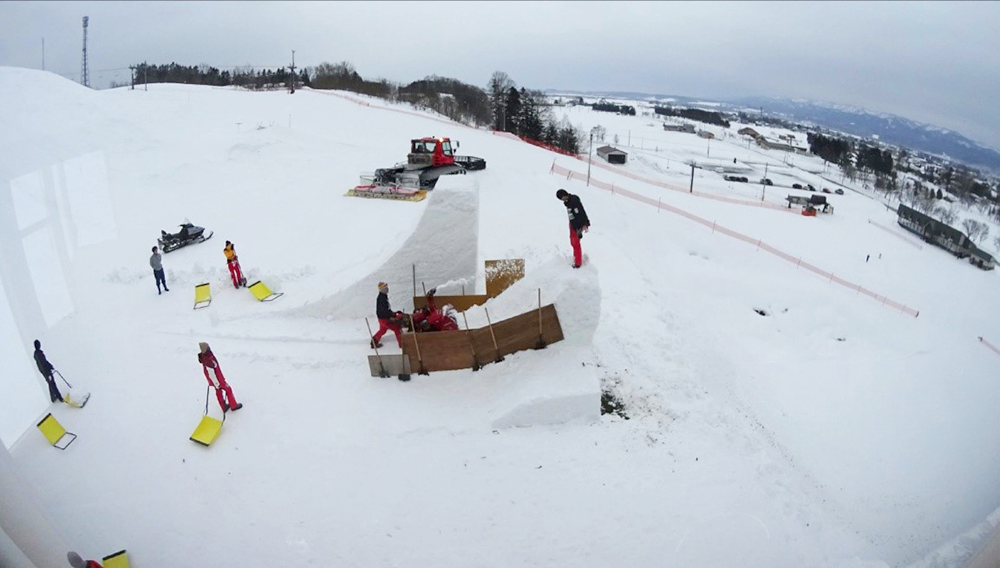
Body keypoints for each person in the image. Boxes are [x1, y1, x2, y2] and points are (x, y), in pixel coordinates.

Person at [198, 342, 242, 413]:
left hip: (214, 380)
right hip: (218, 380)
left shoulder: (206, 357)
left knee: (218, 391)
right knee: (228, 389)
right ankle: (233, 406)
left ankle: (223, 406)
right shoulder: (208, 360)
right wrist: (216, 383)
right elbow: (211, 373)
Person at [556, 189, 591, 268]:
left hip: (577, 225)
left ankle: (578, 263)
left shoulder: (573, 202)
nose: (562, 200)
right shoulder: (569, 201)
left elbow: (580, 214)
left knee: (575, 243)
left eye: (562, 198)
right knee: (573, 242)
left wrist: (580, 228)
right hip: (572, 224)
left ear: (565, 195)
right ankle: (576, 259)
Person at [371, 281, 404, 348]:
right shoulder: (381, 299)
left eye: (387, 287)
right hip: (384, 319)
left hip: (381, 318)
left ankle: (374, 342)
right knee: (397, 328)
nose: (387, 288)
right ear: (382, 289)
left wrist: (393, 313)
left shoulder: (383, 296)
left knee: (382, 330)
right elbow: (383, 311)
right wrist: (392, 316)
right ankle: (402, 345)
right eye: (385, 287)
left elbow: (386, 309)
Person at [33, 339, 63, 403]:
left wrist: (50, 366)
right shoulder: (39, 354)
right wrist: (48, 372)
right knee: (52, 384)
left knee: (50, 384)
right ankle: (60, 397)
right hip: (47, 372)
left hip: (45, 372)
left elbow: (44, 363)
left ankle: (53, 397)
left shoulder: (37, 354)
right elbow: (44, 364)